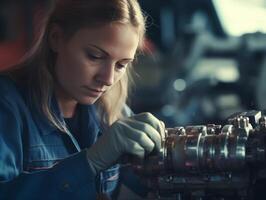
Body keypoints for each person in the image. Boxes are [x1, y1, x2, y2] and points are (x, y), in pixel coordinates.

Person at [0, 0, 165, 199]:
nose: (108, 79)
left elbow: (152, 185)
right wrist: (90, 162)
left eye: (121, 65)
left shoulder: (112, 111)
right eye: (95, 56)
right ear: (56, 38)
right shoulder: (7, 104)